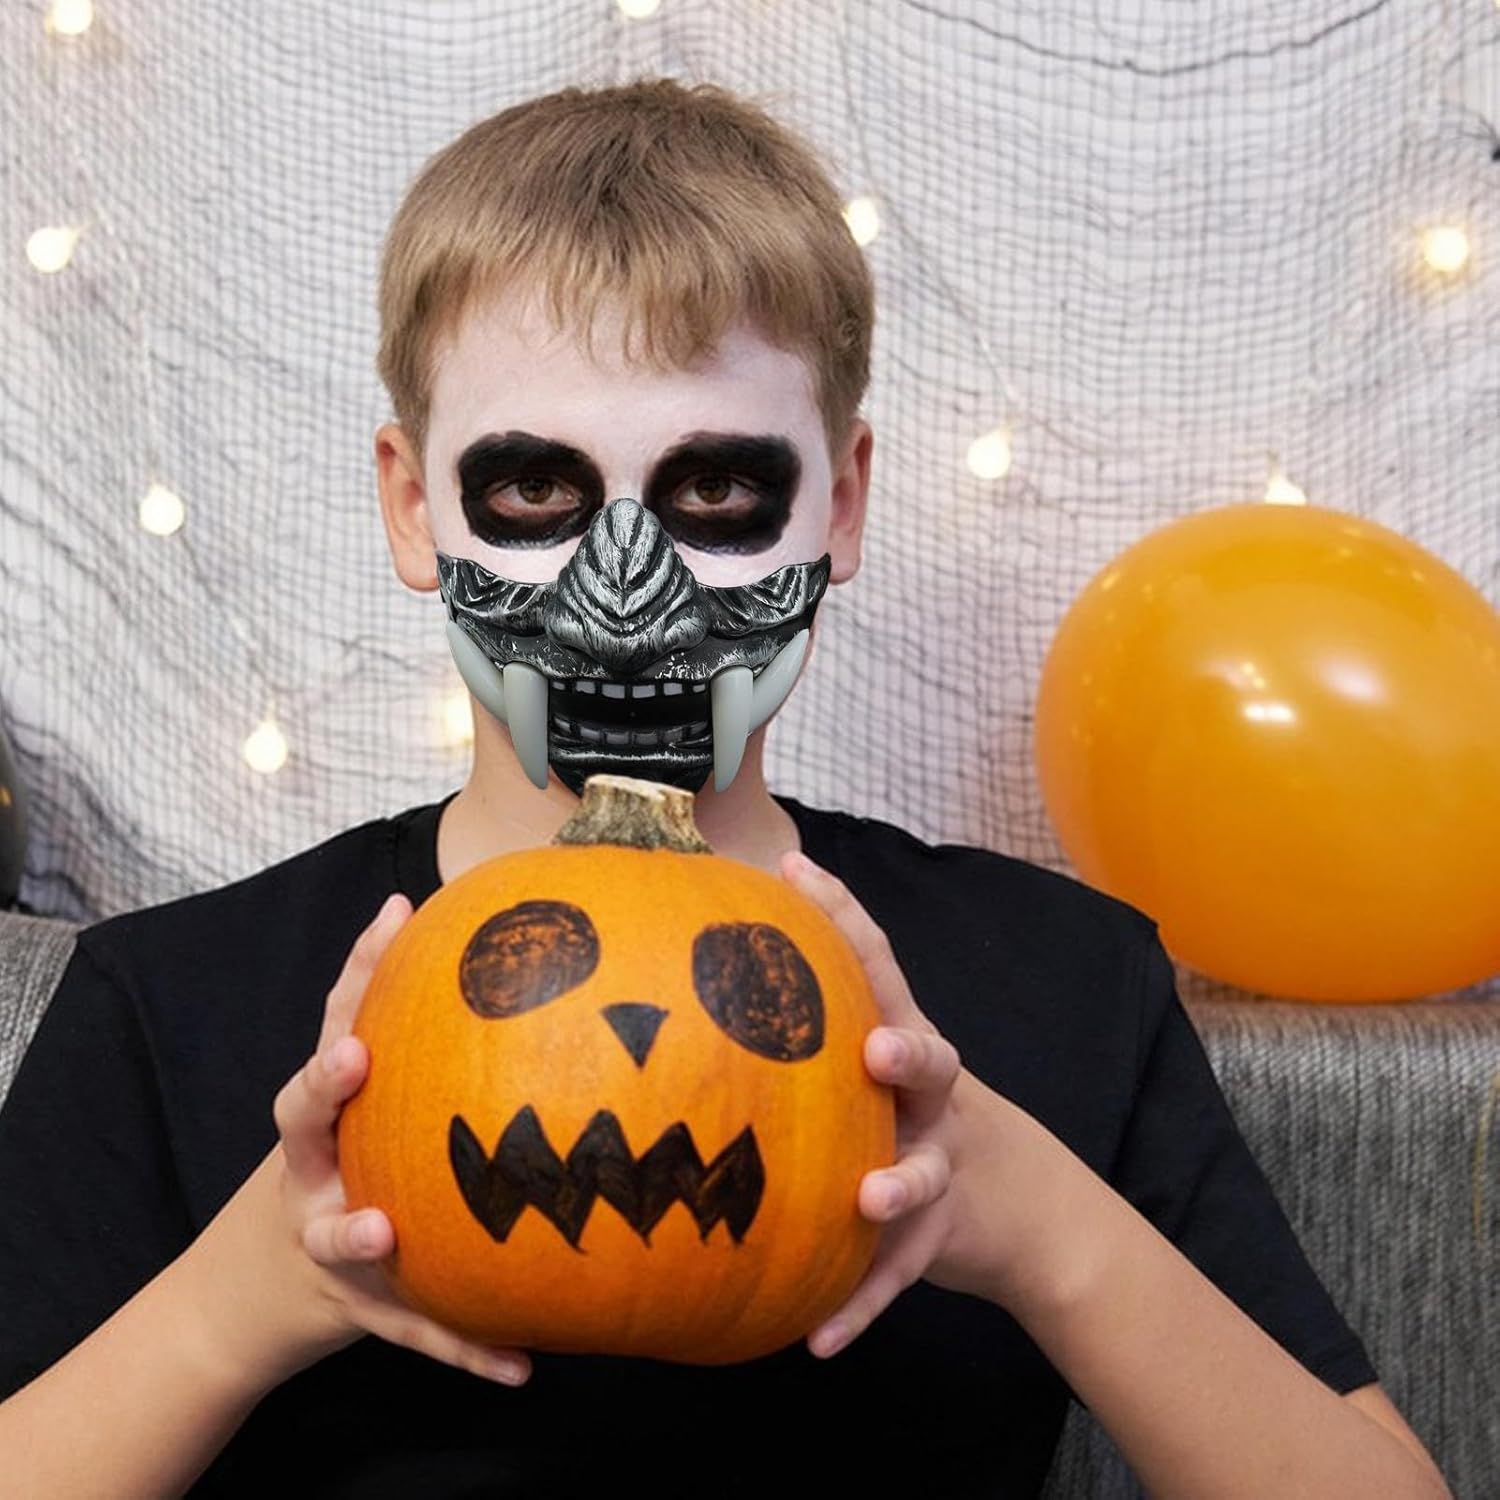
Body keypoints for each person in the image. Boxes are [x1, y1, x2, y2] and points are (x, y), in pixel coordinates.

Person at [0, 78, 1451, 1499]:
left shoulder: (1063, 984)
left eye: (715, 493)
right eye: (535, 492)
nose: (627, 599)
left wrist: (1045, 1232)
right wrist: (240, 1301)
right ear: (413, 507)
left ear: (839, 504)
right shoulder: (172, 1004)